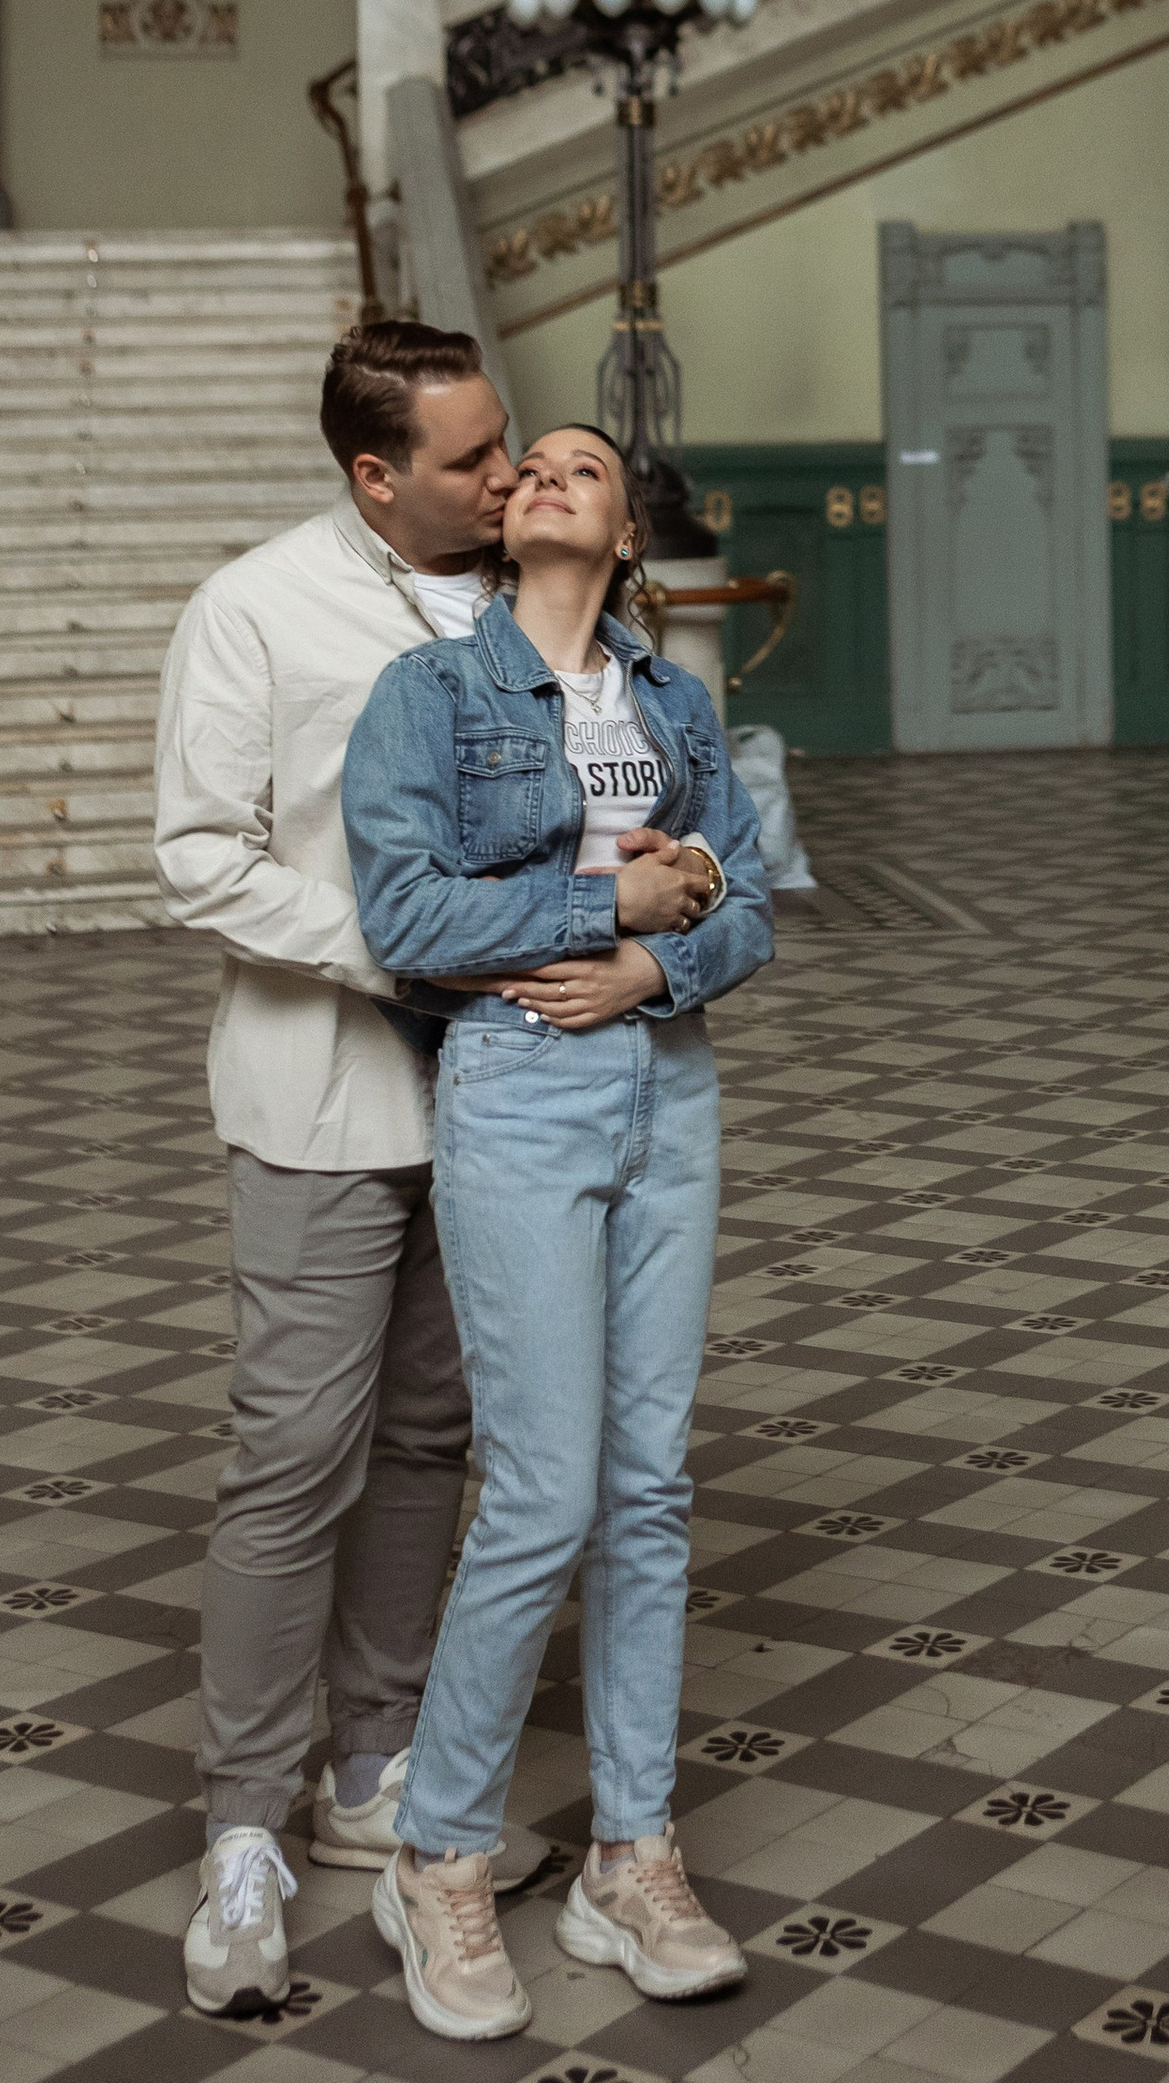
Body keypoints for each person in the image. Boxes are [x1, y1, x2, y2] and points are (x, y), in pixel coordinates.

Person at [341, 422, 772, 2045]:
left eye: (582, 465)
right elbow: (408, 916)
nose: (545, 474)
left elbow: (750, 902)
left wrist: (660, 968)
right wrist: (612, 911)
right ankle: (441, 1855)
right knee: (544, 1487)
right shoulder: (431, 698)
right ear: (498, 524)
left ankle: (631, 1855)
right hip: (520, 1083)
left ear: (625, 526)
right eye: (528, 467)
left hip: (668, 1084)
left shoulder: (672, 705)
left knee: (651, 1485)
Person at [155, 322, 549, 2018]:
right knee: (292, 1458)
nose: (506, 474)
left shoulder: (533, 595)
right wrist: (407, 951)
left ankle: (369, 1772)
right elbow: (201, 858)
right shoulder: (255, 605)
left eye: (507, 443)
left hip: (505, 1102)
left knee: (429, 1442)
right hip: (324, 1098)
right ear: (374, 475)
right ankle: (241, 1828)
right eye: (470, 461)